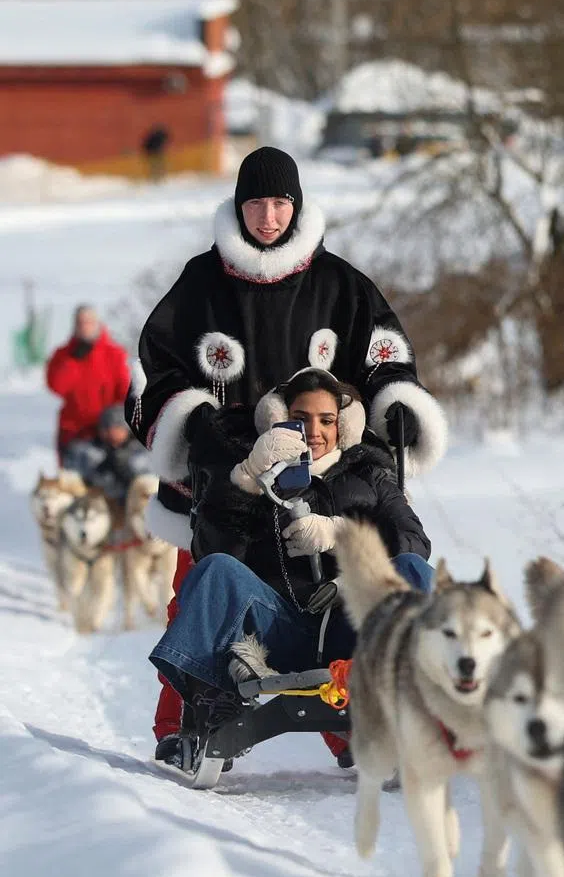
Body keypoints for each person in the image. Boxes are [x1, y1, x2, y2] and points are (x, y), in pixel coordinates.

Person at [128, 146, 448, 754]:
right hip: (226, 472)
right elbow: (158, 366)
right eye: (256, 204)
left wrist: (394, 401)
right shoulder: (202, 283)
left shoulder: (339, 284)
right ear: (239, 207)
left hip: (328, 469)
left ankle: (356, 729)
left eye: (279, 204)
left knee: (336, 588)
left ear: (296, 206)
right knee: (199, 588)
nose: (268, 217)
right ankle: (183, 723)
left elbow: (383, 352)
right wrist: (198, 426)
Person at [149, 368, 433, 771]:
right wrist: (246, 480)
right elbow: (212, 548)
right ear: (280, 419)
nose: (314, 431)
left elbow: (414, 542)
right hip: (276, 627)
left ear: (343, 425)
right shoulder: (259, 470)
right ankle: (212, 714)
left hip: (350, 627)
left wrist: (345, 534)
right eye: (301, 419)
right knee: (214, 570)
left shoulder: (368, 472)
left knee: (410, 571)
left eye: (327, 420)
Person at [47, 305, 130, 466]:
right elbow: (56, 386)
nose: (85, 327)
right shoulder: (63, 354)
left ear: (98, 324)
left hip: (111, 430)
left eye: (89, 322)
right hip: (76, 431)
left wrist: (119, 424)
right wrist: (73, 360)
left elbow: (124, 392)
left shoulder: (115, 354)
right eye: (81, 323)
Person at [69, 405, 151, 507]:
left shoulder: (141, 451)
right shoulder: (87, 451)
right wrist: (98, 470)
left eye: (116, 427)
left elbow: (149, 481)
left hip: (131, 507)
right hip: (96, 506)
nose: (110, 432)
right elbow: (74, 476)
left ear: (126, 429)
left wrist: (126, 469)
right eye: (105, 427)